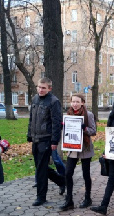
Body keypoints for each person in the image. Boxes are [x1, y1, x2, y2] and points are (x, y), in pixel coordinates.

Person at [27, 77, 65, 206]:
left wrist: (55, 141)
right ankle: (61, 181)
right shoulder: (35, 99)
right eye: (39, 87)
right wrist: (29, 134)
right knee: (40, 166)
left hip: (46, 139)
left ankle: (41, 197)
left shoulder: (54, 102)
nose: (41, 90)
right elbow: (31, 118)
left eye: (44, 88)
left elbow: (56, 123)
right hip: (35, 138)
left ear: (49, 88)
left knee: (41, 169)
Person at [59, 94, 97, 211]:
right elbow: (65, 132)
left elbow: (93, 131)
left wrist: (84, 128)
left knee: (86, 174)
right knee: (68, 173)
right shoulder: (68, 115)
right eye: (73, 102)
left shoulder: (88, 115)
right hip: (73, 148)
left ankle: (87, 198)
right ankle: (69, 200)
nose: (75, 104)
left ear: (82, 103)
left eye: (77, 102)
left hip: (85, 147)